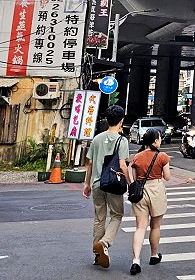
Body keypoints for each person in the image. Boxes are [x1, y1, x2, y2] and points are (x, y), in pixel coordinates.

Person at [83, 104, 130, 269]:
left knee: (99, 219)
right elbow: (123, 166)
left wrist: (86, 184)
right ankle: (104, 243)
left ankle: (97, 256)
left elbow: (90, 163)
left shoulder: (97, 138)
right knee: (117, 215)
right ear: (121, 121)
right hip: (113, 184)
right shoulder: (121, 140)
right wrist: (131, 183)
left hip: (97, 183)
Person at [128, 128, 172, 275]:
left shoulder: (137, 157)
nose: (160, 140)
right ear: (154, 141)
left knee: (140, 227)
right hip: (156, 190)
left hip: (140, 192)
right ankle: (154, 255)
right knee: (155, 225)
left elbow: (134, 178)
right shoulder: (162, 156)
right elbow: (167, 177)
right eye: (159, 138)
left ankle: (135, 261)